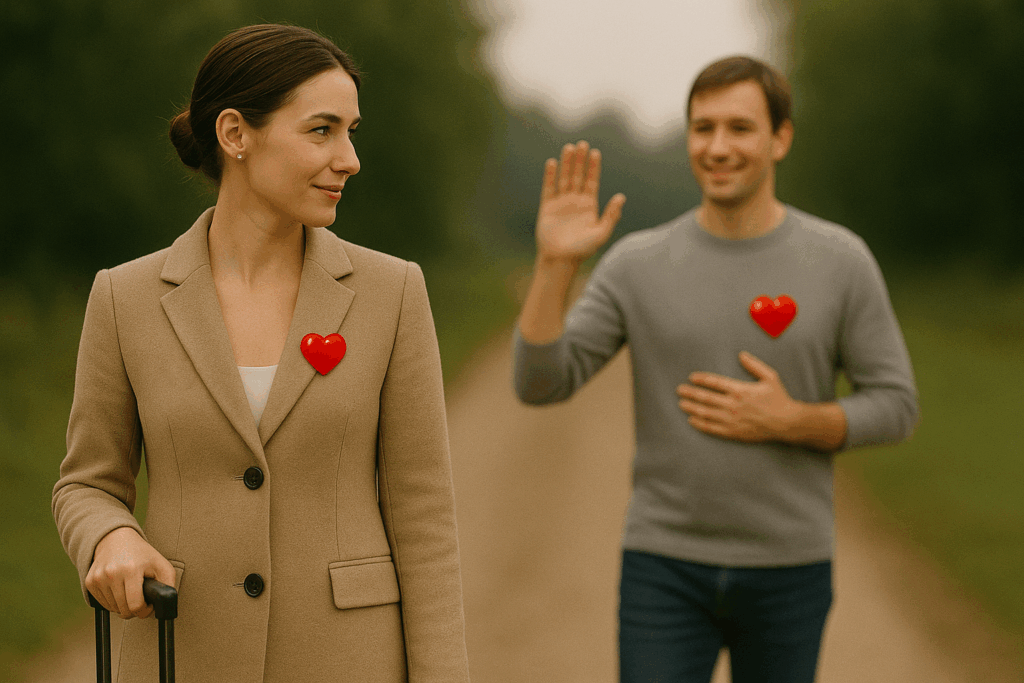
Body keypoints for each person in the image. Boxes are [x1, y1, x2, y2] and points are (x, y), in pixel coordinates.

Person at [52, 23, 469, 682]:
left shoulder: (394, 293)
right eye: (322, 130)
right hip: (180, 655)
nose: (350, 158)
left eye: (351, 131)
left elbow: (425, 519)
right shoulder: (123, 298)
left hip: (350, 661)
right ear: (235, 135)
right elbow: (87, 483)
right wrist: (110, 534)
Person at [512, 56, 918, 683]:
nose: (718, 147)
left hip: (791, 568)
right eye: (703, 129)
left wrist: (795, 420)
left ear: (780, 138)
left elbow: (896, 405)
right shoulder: (635, 265)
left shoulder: (841, 261)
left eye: (740, 128)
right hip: (663, 566)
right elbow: (540, 385)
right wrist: (553, 267)